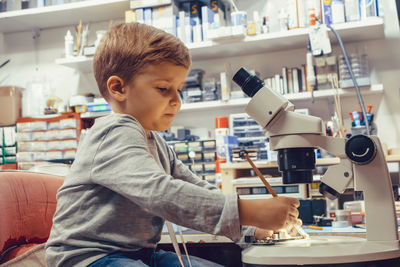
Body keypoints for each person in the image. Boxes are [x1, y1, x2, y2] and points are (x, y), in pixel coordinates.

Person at [46, 22, 301, 267]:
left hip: (140, 255)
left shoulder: (154, 141)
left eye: (178, 89)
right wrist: (248, 211)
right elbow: (161, 193)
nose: (177, 101)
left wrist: (253, 229)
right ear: (118, 88)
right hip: (88, 259)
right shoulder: (113, 131)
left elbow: (194, 186)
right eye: (163, 88)